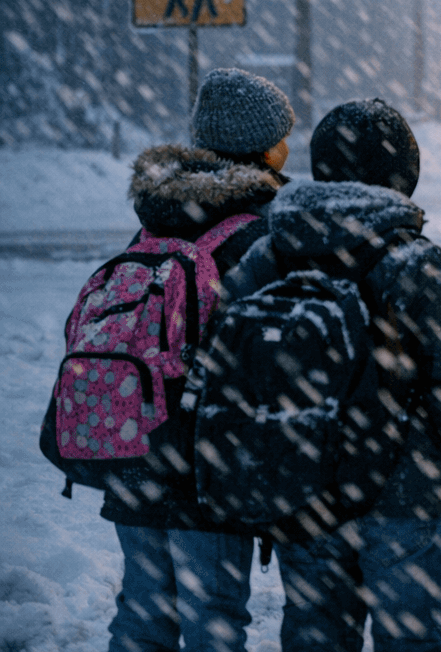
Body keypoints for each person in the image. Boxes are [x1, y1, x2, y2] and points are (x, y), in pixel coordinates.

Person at [222, 98, 441, 651]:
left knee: (317, 635)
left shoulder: (268, 254)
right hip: (406, 488)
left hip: (303, 481)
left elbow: (230, 363)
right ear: (404, 175)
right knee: (415, 638)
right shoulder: (415, 261)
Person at [107, 68, 294, 652]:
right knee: (212, 616)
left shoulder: (157, 216)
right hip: (204, 464)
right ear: (265, 146)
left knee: (142, 612)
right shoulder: (258, 234)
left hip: (133, 447)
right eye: (283, 133)